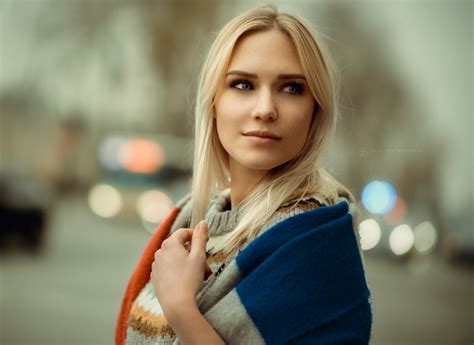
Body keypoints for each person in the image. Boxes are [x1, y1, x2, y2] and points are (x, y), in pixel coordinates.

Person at [116, 5, 372, 345]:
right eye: (242, 84)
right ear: (214, 103)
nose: (265, 109)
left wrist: (181, 308)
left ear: (316, 110)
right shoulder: (185, 220)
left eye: (292, 88)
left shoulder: (319, 243)